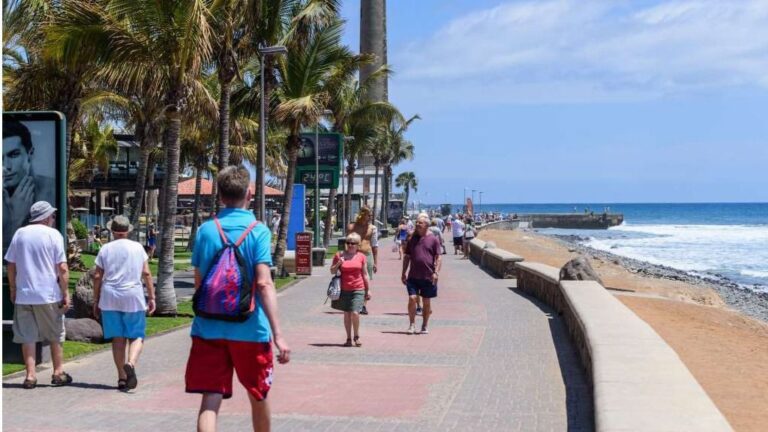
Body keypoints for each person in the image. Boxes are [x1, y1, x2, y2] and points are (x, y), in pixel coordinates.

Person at [185, 166, 290, 432]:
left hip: (208, 328)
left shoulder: (206, 231)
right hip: (250, 330)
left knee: (210, 398)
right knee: (258, 394)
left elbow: (199, 282)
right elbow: (264, 282)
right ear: (250, 194)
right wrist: (278, 334)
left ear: (219, 195)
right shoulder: (258, 231)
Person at [5, 201, 72, 389]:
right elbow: (63, 268)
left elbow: (11, 265)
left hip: (24, 294)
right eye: (52, 216)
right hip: (48, 294)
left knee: (27, 335)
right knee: (55, 334)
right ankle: (58, 372)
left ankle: (30, 375)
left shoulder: (20, 234)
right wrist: (65, 292)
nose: (53, 219)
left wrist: (13, 289)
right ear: (46, 218)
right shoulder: (53, 235)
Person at [92, 215, 156, 391]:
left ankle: (121, 377)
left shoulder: (105, 249)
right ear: (127, 231)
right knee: (136, 334)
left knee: (117, 338)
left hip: (110, 296)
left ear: (112, 231)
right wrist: (151, 297)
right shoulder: (137, 248)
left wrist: (95, 299)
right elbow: (147, 273)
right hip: (132, 295)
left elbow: (97, 276)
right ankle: (131, 363)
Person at [3, 120, 56, 252]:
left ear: (29, 154)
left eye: (14, 154)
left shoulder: (50, 189)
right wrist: (15, 220)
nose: (5, 166)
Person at [402, 213, 442, 335]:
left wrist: (436, 272)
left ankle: (424, 325)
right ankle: (412, 324)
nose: (417, 224)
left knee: (426, 302)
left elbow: (438, 257)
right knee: (412, 298)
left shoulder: (433, 239)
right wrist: (403, 272)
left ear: (427, 225)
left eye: (420, 223)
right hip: (413, 276)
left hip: (428, 276)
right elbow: (407, 257)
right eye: (417, 223)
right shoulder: (412, 239)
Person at [330, 233, 371, 347]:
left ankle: (356, 336)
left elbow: (365, 274)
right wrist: (339, 263)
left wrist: (368, 290)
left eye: (353, 243)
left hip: (358, 288)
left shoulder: (361, 256)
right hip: (343, 289)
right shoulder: (339, 255)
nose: (350, 245)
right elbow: (332, 271)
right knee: (347, 314)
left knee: (355, 313)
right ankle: (348, 338)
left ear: (358, 245)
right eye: (348, 243)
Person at [347, 206, 378, 315]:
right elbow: (347, 243)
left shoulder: (373, 228)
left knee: (366, 280)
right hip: (354, 255)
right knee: (353, 279)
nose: (369, 217)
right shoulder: (352, 227)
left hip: (367, 255)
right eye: (368, 214)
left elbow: (375, 245)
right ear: (362, 214)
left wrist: (375, 262)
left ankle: (363, 305)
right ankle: (354, 302)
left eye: (370, 215)